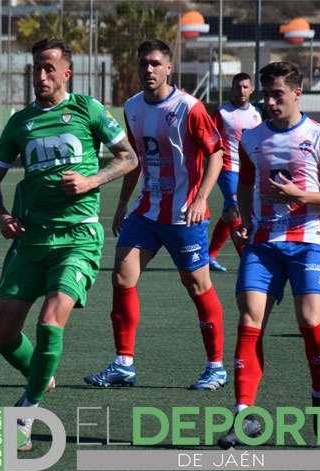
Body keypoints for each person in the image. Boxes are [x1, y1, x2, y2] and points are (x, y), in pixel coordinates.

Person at [0, 37, 138, 452]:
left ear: (67, 72)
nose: (41, 76)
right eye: (36, 68)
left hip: (79, 238)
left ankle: (26, 410)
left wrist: (91, 181)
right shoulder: (20, 122)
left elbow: (128, 157)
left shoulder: (87, 109)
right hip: (32, 240)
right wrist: (3, 216)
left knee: (51, 321)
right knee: (3, 334)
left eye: (50, 68)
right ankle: (40, 372)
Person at [218, 62, 320, 448]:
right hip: (263, 242)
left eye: (278, 93)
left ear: (297, 93)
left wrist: (303, 196)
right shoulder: (252, 138)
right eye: (266, 94)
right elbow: (245, 183)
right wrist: (244, 219)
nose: (270, 101)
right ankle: (245, 415)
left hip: (311, 238)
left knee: (310, 320)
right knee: (249, 318)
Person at [84, 39, 227, 391]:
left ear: (168, 68)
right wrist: (122, 204)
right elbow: (132, 159)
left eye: (154, 63)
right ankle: (123, 363)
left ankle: (217, 367)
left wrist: (200, 199)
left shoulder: (189, 107)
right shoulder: (132, 107)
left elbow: (216, 154)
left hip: (184, 215)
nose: (147, 70)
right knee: (122, 277)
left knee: (197, 287)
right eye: (143, 64)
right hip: (147, 211)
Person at [207, 73, 262, 272]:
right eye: (238, 87)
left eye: (246, 87)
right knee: (237, 208)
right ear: (232, 88)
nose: (242, 91)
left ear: (252, 89)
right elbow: (210, 138)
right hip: (227, 168)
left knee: (229, 213)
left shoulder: (256, 114)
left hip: (249, 170)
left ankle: (209, 255)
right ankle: (246, 258)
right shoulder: (222, 112)